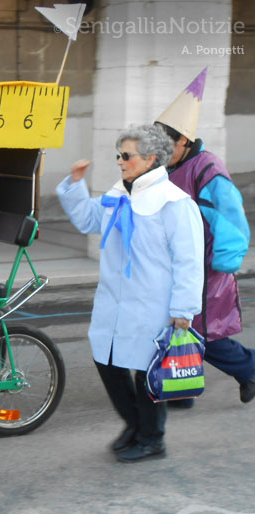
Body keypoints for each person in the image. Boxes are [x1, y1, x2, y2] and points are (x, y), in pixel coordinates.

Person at [56, 124, 204, 463]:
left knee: (148, 373)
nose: (120, 162)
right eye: (118, 155)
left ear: (151, 158)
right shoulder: (119, 194)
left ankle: (152, 438)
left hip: (155, 303)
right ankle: (135, 425)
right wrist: (75, 184)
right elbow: (88, 219)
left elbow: (189, 260)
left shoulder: (174, 202)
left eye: (126, 155)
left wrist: (184, 310)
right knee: (107, 359)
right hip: (115, 299)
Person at [154, 68, 255, 408]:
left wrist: (218, 266)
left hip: (205, 270)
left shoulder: (208, 169)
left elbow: (231, 220)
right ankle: (181, 390)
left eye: (167, 144)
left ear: (184, 140)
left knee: (205, 334)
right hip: (179, 265)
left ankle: (251, 368)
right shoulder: (168, 168)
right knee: (176, 327)